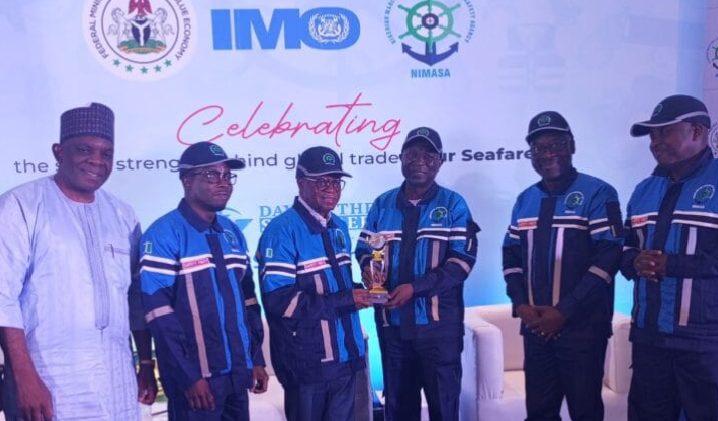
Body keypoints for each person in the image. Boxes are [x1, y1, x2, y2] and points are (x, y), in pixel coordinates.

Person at [0, 103, 158, 420]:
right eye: (85, 150)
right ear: (58, 152)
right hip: (48, 375)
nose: (97, 161)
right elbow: (3, 296)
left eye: (106, 153)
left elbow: (134, 298)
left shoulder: (122, 214)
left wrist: (145, 363)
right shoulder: (21, 204)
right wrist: (24, 377)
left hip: (117, 376)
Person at [502, 111, 623, 421]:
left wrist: (564, 310)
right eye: (538, 148)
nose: (547, 154)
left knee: (585, 412)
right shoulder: (525, 199)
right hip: (536, 327)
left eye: (555, 144)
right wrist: (521, 305)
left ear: (572, 146)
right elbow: (511, 256)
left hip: (582, 329)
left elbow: (609, 257)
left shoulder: (599, 192)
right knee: (539, 413)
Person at [355, 127, 480, 421]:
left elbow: (461, 263)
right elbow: (364, 248)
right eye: (412, 154)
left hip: (439, 331)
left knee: (444, 410)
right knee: (399, 410)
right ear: (401, 158)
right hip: (393, 327)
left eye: (429, 155)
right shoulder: (382, 204)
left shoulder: (453, 204)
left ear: (439, 161)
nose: (420, 160)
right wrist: (369, 271)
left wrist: (416, 288)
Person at [139, 141, 268, 421]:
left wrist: (256, 359)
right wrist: (188, 377)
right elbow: (159, 315)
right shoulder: (163, 234)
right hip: (196, 384)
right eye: (212, 175)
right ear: (187, 181)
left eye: (227, 176)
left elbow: (248, 301)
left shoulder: (232, 232)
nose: (223, 183)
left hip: (237, 374)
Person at [621, 94, 718, 421]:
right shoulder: (643, 190)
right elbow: (625, 247)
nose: (655, 142)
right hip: (649, 338)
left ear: (698, 131)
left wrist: (673, 264)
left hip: (705, 343)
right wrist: (634, 262)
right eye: (652, 135)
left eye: (665, 132)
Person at [256, 146, 370, 421]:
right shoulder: (281, 231)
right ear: (300, 183)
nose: (331, 189)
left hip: (346, 358)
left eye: (336, 181)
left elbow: (335, 285)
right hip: (306, 365)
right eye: (322, 182)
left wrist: (365, 290)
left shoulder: (339, 226)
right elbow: (281, 302)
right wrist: (348, 299)